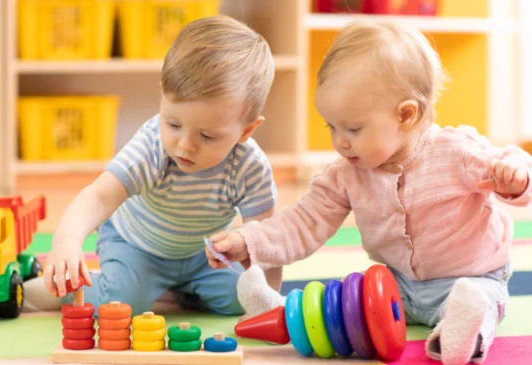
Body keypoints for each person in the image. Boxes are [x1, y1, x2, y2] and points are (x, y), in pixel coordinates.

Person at [208, 18, 531, 365]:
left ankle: (457, 336)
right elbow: (303, 222)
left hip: (472, 277)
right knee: (346, 308)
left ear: (406, 116)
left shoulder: (457, 152)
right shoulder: (346, 173)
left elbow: (512, 162)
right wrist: (250, 242)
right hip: (397, 287)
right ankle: (284, 314)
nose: (339, 140)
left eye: (352, 128)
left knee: (479, 302)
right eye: (331, 126)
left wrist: (516, 178)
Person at [22, 14, 284, 318]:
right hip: (136, 247)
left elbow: (264, 240)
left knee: (243, 297)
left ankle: (184, 289)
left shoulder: (250, 167)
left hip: (203, 256)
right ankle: (63, 291)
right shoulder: (151, 148)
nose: (185, 144)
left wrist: (268, 300)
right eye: (173, 123)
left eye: (207, 135)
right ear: (162, 95)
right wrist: (66, 241)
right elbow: (98, 196)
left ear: (246, 131)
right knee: (120, 305)